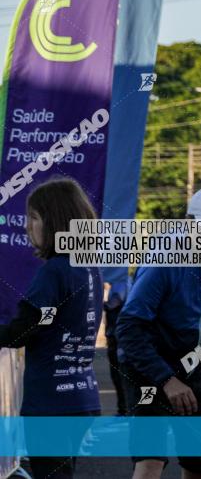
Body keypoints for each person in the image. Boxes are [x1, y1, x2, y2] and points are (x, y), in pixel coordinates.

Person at [116, 187, 201, 479]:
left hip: (196, 370)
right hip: (148, 369)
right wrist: (166, 380)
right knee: (151, 459)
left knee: (198, 463)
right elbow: (128, 327)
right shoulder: (163, 261)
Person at [0, 179, 103, 479]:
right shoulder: (88, 268)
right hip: (82, 397)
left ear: (55, 221)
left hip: (50, 402)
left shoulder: (54, 272)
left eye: (33, 217)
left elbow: (21, 331)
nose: (27, 227)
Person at [104, 274, 132, 416]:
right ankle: (124, 408)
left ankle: (125, 409)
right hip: (117, 331)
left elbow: (115, 300)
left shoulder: (121, 278)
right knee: (119, 370)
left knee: (120, 370)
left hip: (119, 331)